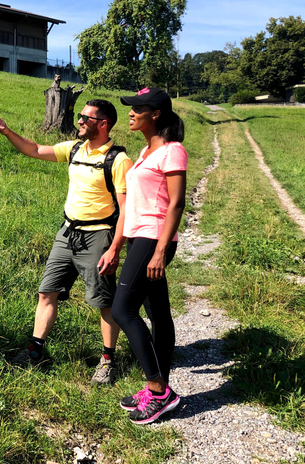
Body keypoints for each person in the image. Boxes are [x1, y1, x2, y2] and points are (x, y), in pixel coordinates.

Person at [0, 99, 132, 385]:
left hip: (99, 235)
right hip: (67, 234)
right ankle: (35, 350)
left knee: (103, 301)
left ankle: (107, 360)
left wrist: (115, 247)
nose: (79, 121)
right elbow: (34, 149)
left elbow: (127, 209)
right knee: (47, 292)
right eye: (79, 117)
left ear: (103, 124)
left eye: (85, 118)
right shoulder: (75, 148)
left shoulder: (118, 160)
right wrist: (8, 132)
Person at [112, 87, 187, 424]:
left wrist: (160, 250)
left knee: (122, 310)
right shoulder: (146, 151)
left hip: (153, 239)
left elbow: (176, 203)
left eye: (136, 108)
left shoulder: (172, 151)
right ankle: (161, 387)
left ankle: (158, 389)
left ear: (155, 114)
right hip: (139, 237)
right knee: (157, 312)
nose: (130, 112)